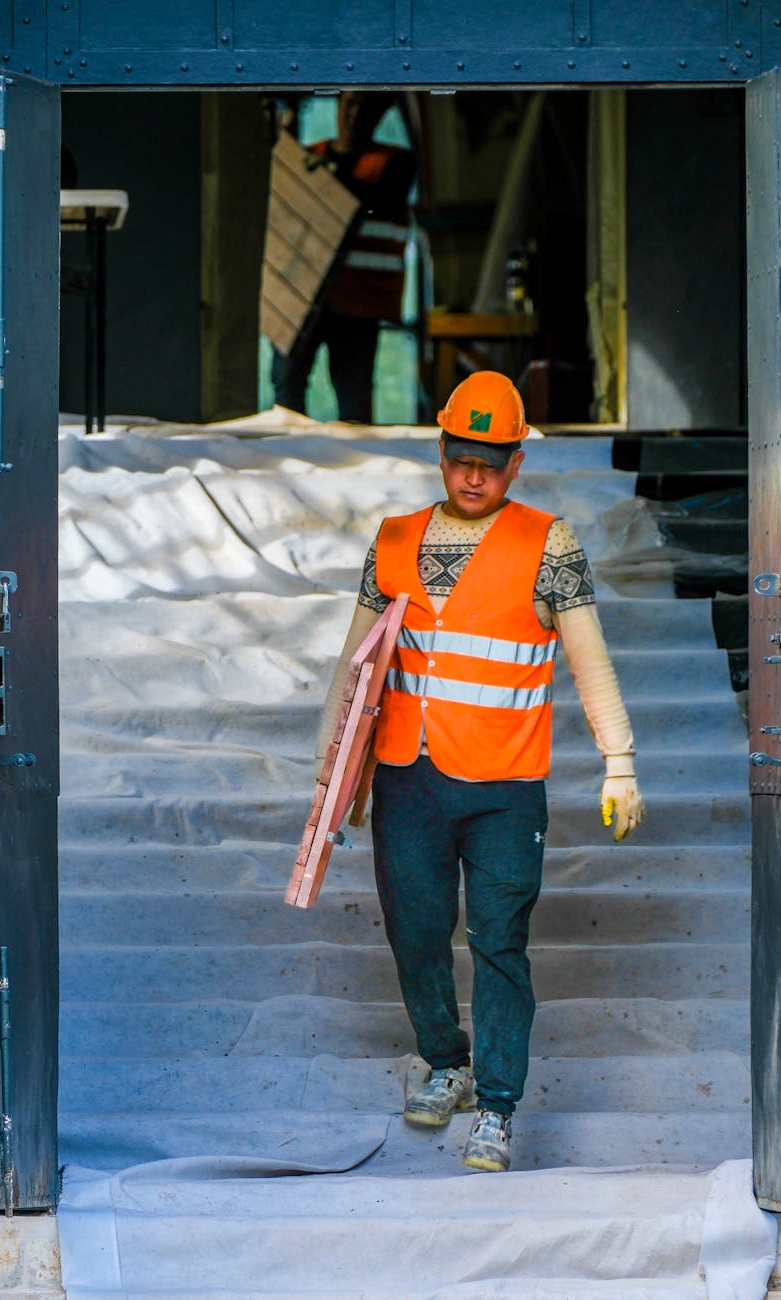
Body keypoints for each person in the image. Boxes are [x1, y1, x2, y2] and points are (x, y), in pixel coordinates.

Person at [315, 370, 645, 1172]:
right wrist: (335, 775)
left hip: (504, 783)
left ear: (517, 463)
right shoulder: (393, 542)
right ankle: (446, 1061)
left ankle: (496, 1105)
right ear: (441, 448)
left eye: (491, 463)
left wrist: (619, 762)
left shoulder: (549, 543)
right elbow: (353, 672)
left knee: (500, 940)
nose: (473, 477)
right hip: (407, 777)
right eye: (461, 457)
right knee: (417, 932)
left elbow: (589, 660)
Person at [272, 90, 415, 423]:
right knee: (285, 388)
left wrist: (325, 175)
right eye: (349, 104)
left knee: (354, 399)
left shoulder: (395, 163)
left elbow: (379, 198)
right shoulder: (309, 157)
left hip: (359, 304)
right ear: (337, 106)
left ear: (380, 115)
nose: (353, 114)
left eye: (365, 107)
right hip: (304, 299)